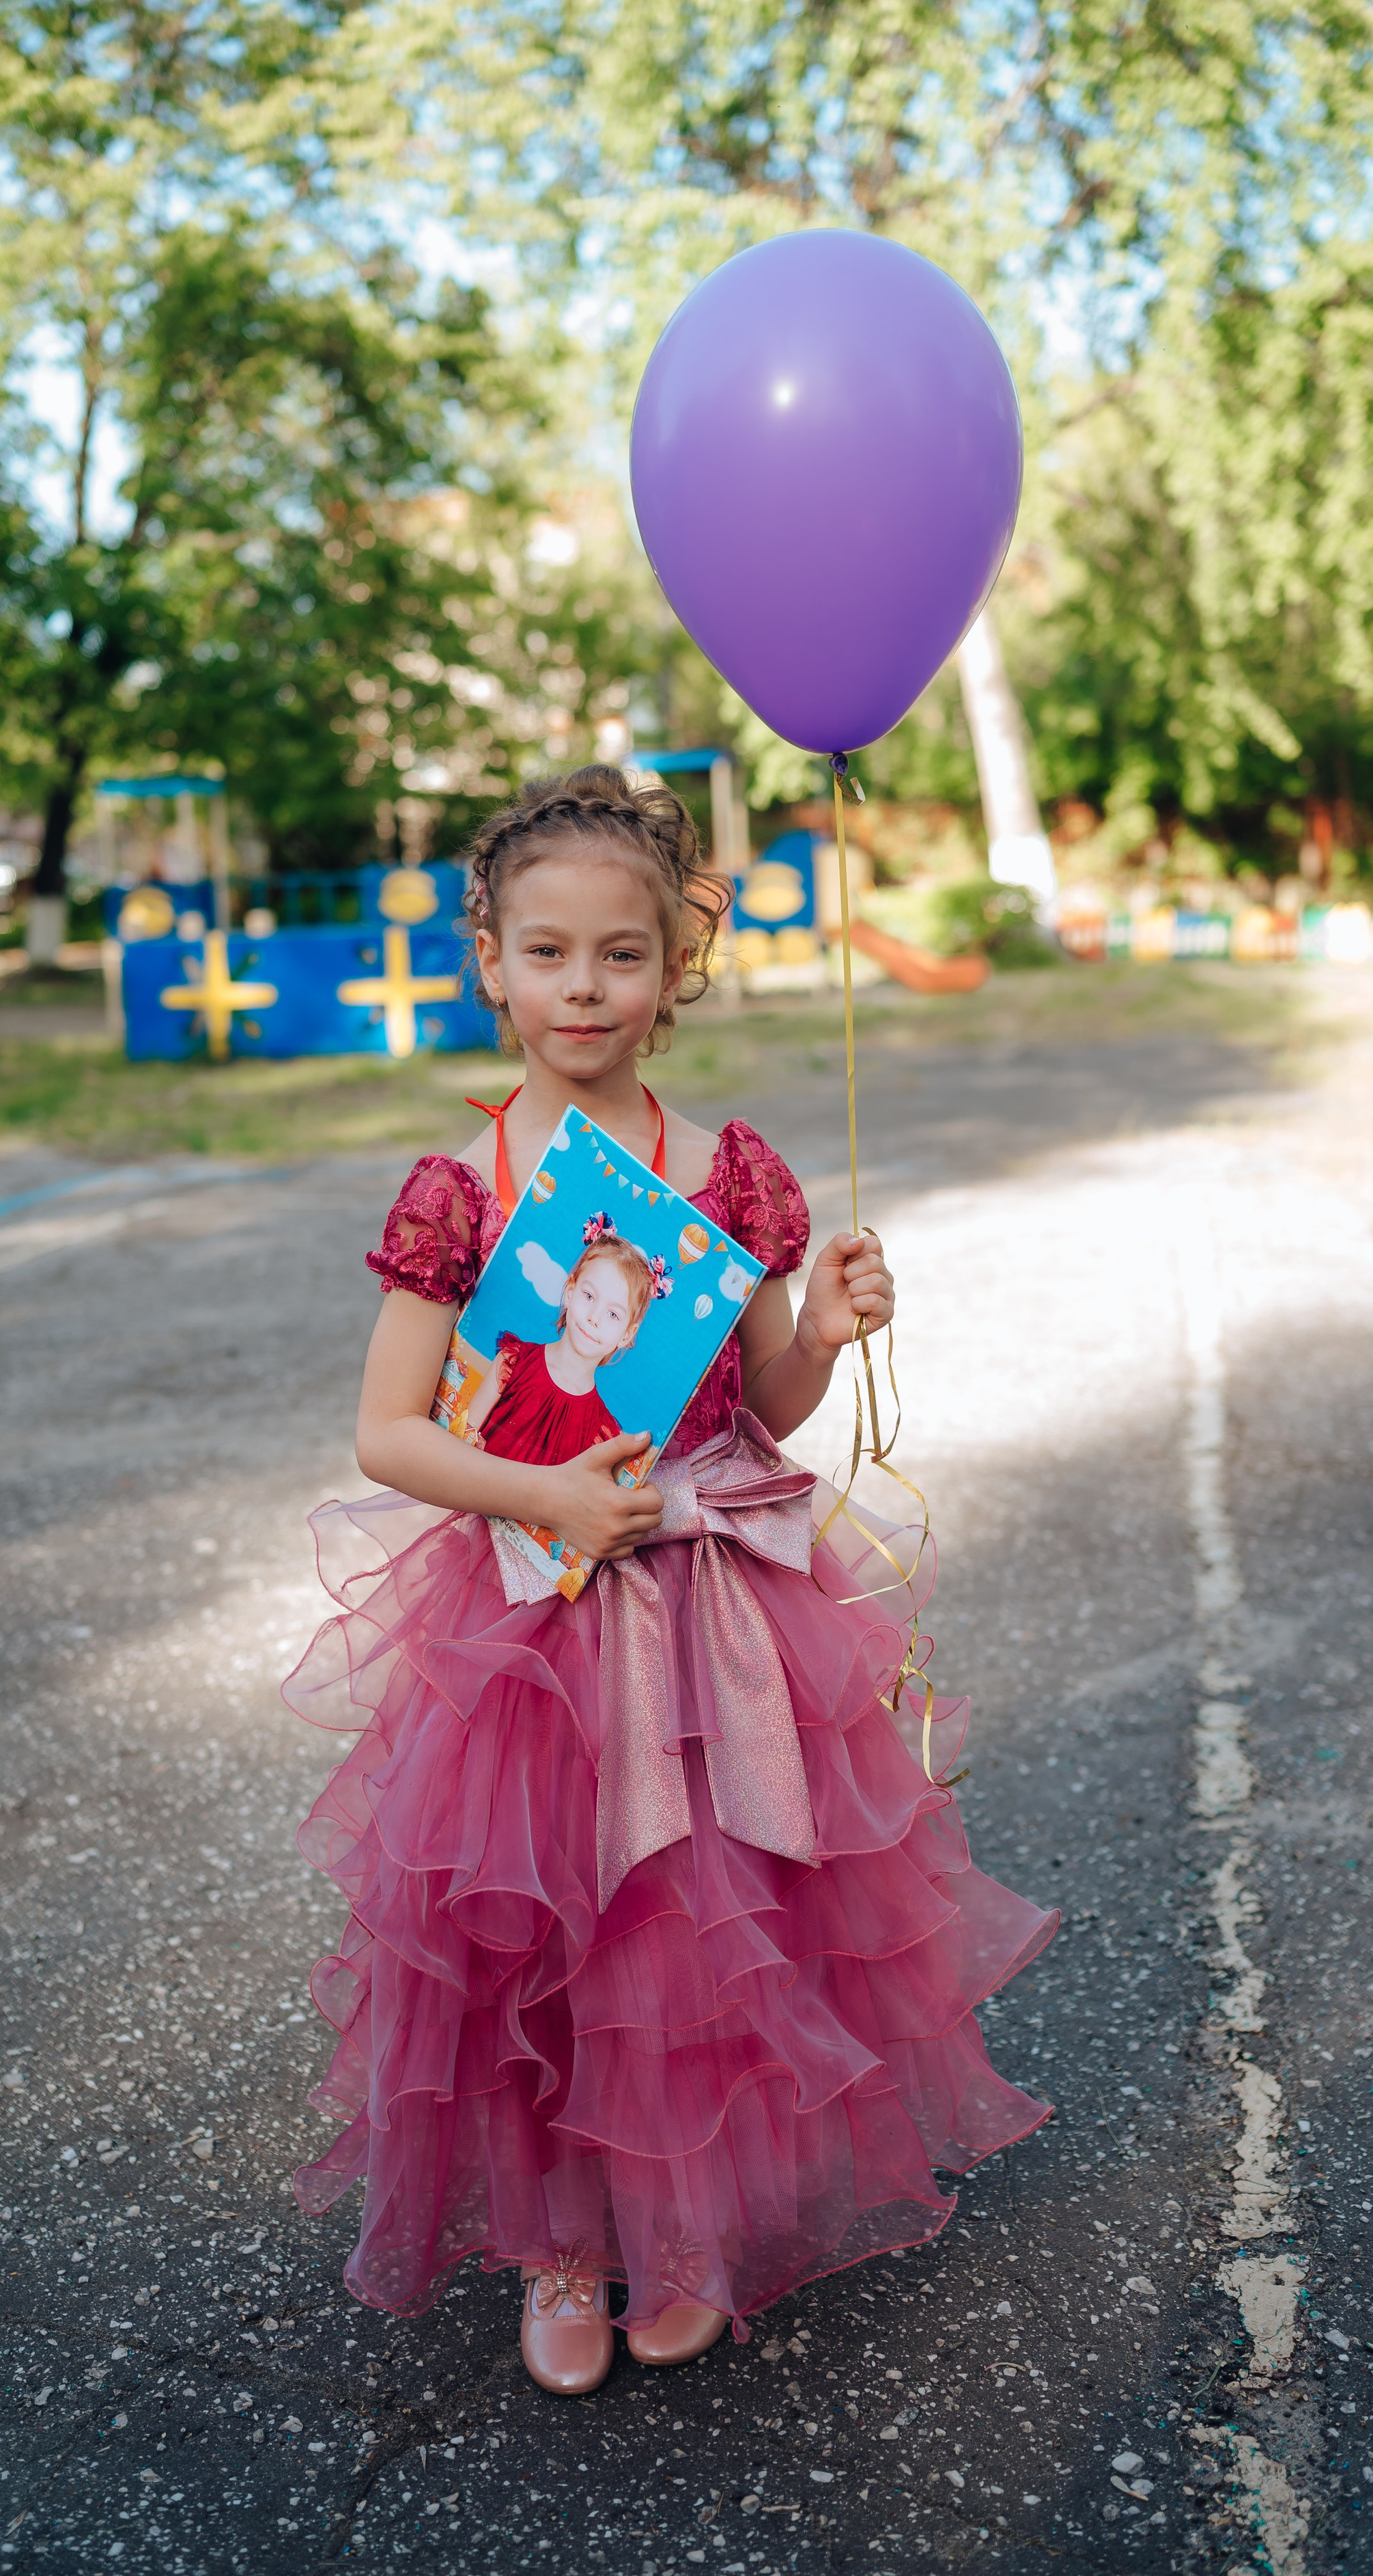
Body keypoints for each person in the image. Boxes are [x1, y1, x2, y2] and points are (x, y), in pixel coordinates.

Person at [283, 765, 1056, 2396]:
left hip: (718, 1608)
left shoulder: (731, 1176)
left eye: (620, 954)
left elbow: (758, 1401)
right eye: (546, 951)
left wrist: (825, 1333)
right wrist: (542, 1488)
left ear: (678, 963)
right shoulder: (467, 1186)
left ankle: (687, 2220)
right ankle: (564, 2231)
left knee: (706, 1918)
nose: (583, 987)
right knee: (555, 1924)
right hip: (533, 1619)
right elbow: (384, 1434)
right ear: (485, 957)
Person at [468, 1230, 660, 1468]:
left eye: (613, 1314)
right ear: (570, 1293)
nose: (594, 1317)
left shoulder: (603, 1433)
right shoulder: (513, 1362)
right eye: (589, 1296)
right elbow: (462, 1443)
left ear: (627, 1335)